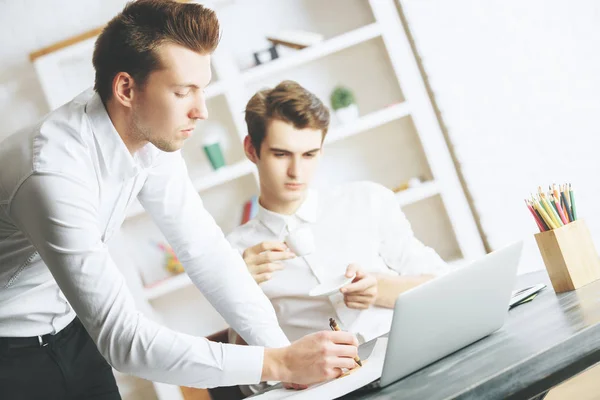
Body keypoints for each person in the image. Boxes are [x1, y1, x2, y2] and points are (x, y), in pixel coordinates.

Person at [0, 2, 358, 399]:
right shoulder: (51, 172)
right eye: (183, 92)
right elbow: (123, 341)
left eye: (201, 89)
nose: (201, 110)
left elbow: (205, 251)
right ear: (126, 89)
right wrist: (277, 363)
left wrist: (282, 355)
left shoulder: (152, 134)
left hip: (69, 330)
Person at [227, 80, 449, 346]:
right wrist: (240, 292)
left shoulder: (368, 200)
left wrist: (379, 288)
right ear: (252, 150)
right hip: (328, 384)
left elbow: (442, 285)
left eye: (309, 154)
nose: (296, 171)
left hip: (409, 349)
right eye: (281, 154)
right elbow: (249, 378)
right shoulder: (234, 253)